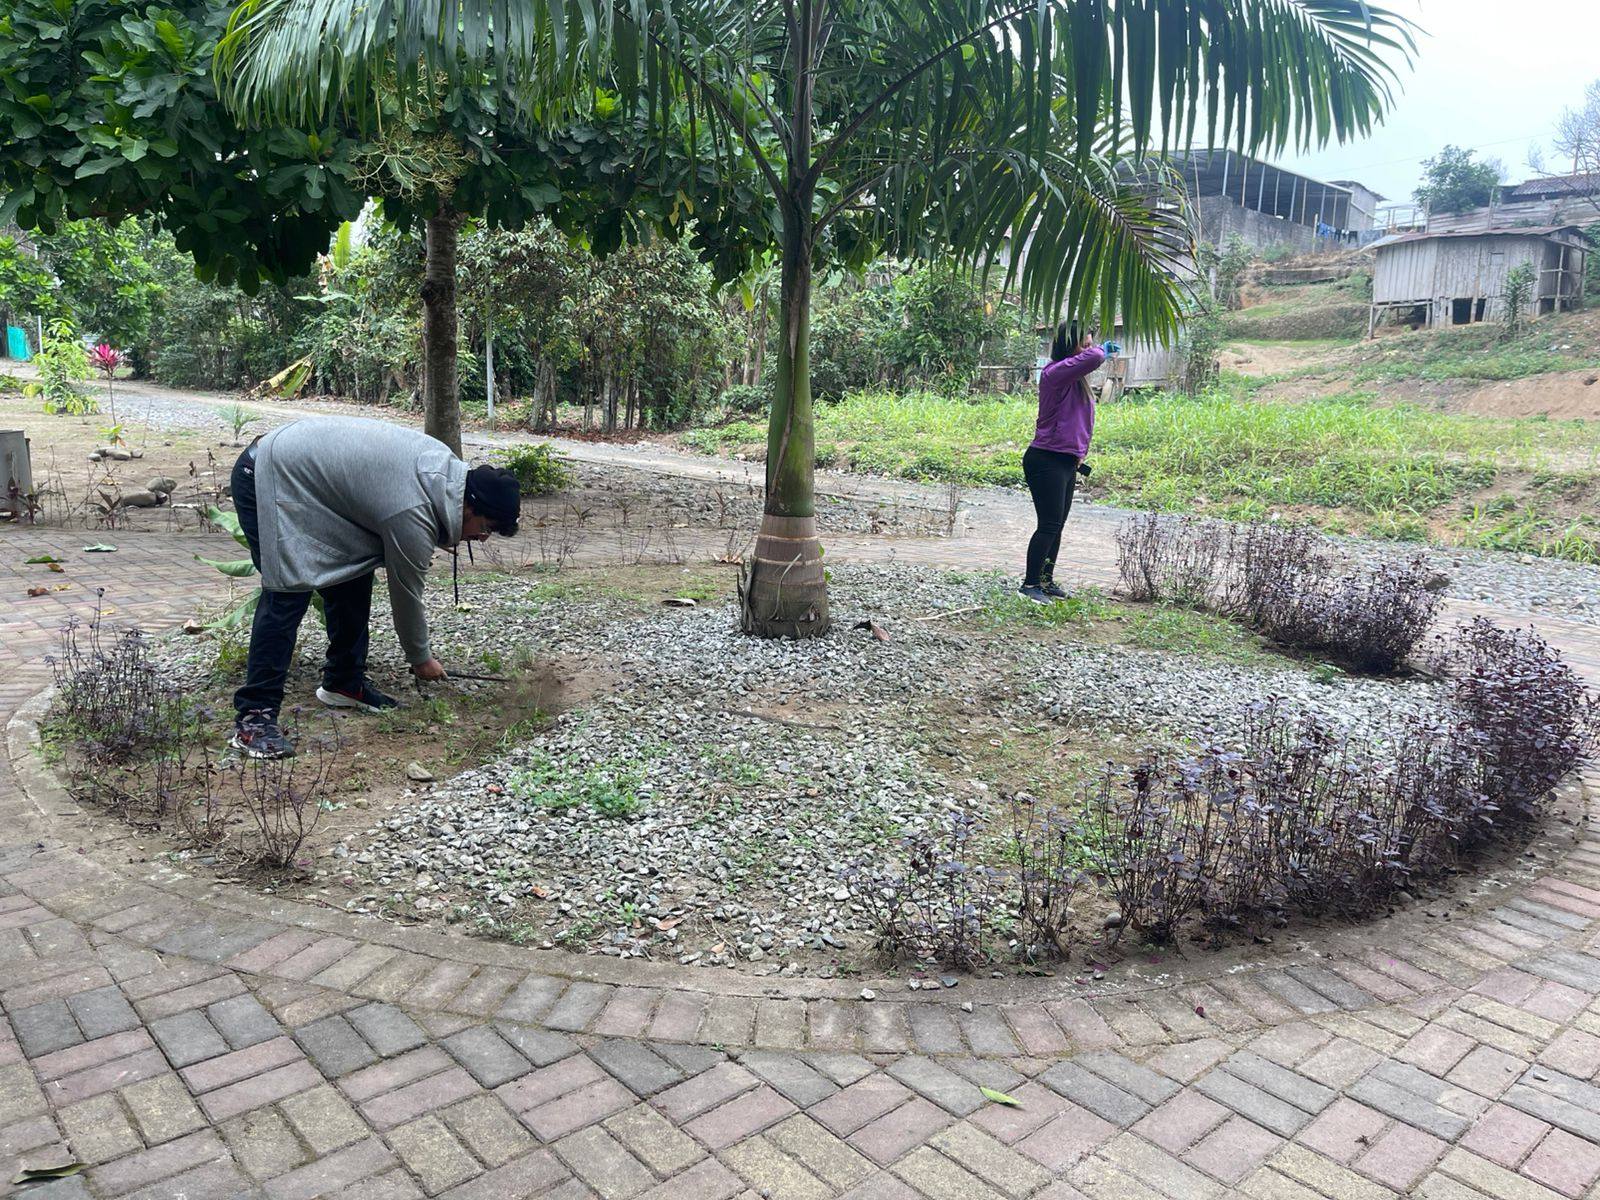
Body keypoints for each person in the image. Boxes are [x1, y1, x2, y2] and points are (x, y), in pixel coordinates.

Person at [228, 416, 521, 758]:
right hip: (269, 473)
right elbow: (407, 595)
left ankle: (343, 683)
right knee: (288, 592)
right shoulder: (414, 512)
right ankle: (254, 720)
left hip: (316, 486)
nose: (482, 538)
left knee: (353, 570)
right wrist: (421, 659)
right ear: (468, 506)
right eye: (486, 528)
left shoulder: (444, 474)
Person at [1019, 320, 1109, 603]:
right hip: (1046, 458)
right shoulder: (1054, 373)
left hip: (1066, 460)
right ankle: (1030, 585)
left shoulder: (1076, 381)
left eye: (1091, 344)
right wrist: (1099, 351)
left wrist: (1080, 454)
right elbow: (1095, 357)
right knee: (1048, 524)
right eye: (1084, 344)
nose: (1090, 350)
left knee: (1057, 525)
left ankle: (1045, 581)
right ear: (1068, 345)